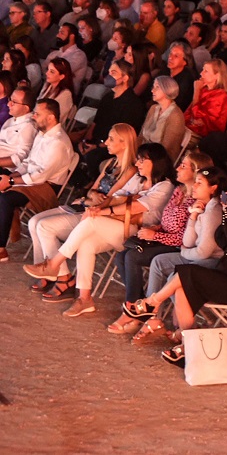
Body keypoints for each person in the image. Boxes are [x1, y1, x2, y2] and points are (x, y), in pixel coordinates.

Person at [123, 176, 227, 366]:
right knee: (181, 284)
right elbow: (224, 240)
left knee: (187, 274)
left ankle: (153, 302)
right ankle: (187, 345)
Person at [24, 143, 175, 317]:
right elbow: (116, 196)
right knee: (86, 243)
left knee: (91, 221)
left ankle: (54, 263)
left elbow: (135, 207)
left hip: (136, 233)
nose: (138, 163)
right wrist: (104, 204)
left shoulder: (164, 186)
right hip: (116, 225)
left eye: (142, 160)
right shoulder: (139, 179)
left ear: (156, 162)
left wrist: (101, 210)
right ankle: (84, 298)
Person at [106, 152, 215, 337]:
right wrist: (155, 229)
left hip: (176, 246)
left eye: (183, 166)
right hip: (162, 236)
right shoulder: (179, 190)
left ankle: (134, 310)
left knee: (132, 257)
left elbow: (184, 238)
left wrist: (155, 236)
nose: (177, 168)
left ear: (196, 171)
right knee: (122, 256)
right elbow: (167, 220)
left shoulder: (197, 202)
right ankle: (140, 305)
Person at [26, 123, 138, 303]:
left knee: (45, 226)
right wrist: (93, 196)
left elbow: (107, 200)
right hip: (86, 206)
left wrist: (94, 197)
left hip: (96, 214)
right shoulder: (109, 164)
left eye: (111, 139)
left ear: (124, 143)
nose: (105, 142)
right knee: (34, 221)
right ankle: (48, 272)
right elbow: (92, 191)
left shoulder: (130, 170)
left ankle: (63, 278)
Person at [0, 98, 74, 261]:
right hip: (32, 180)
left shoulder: (58, 142)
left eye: (37, 114)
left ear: (51, 118)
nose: (33, 116)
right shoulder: (42, 134)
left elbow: (40, 176)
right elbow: (28, 163)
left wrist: (11, 182)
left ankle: (1, 250)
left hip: (46, 188)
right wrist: (11, 176)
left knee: (5, 198)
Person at [139, 76, 187, 161]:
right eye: (153, 87)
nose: (152, 90)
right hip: (143, 155)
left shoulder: (175, 116)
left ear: (167, 90)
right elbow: (141, 136)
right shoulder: (153, 108)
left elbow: (166, 149)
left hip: (159, 160)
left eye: (157, 87)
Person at [183, 59, 227, 140]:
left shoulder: (221, 96)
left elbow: (198, 119)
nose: (201, 73)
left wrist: (196, 92)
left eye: (206, 71)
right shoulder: (203, 90)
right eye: (202, 70)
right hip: (188, 129)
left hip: (203, 136)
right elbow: (187, 114)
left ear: (217, 75)